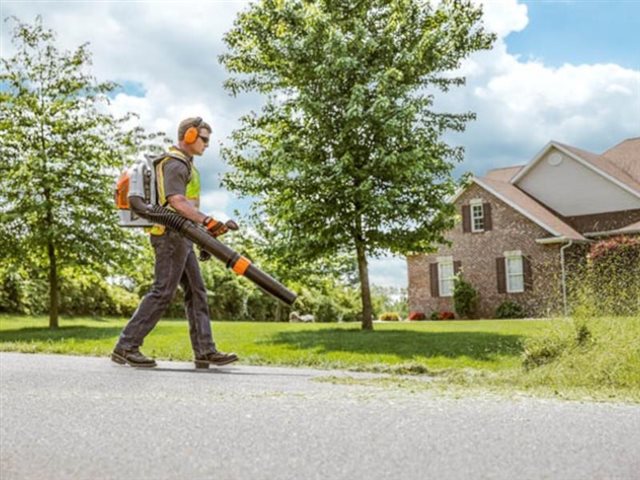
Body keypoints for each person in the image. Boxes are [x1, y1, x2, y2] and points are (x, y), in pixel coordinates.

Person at [111, 117, 238, 368]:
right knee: (162, 291)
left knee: (196, 291)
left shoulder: (187, 166)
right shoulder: (175, 164)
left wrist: (202, 236)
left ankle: (205, 350)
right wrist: (207, 221)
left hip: (183, 236)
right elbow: (176, 201)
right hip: (169, 236)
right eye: (204, 139)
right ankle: (126, 346)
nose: (207, 145)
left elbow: (187, 207)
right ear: (189, 135)